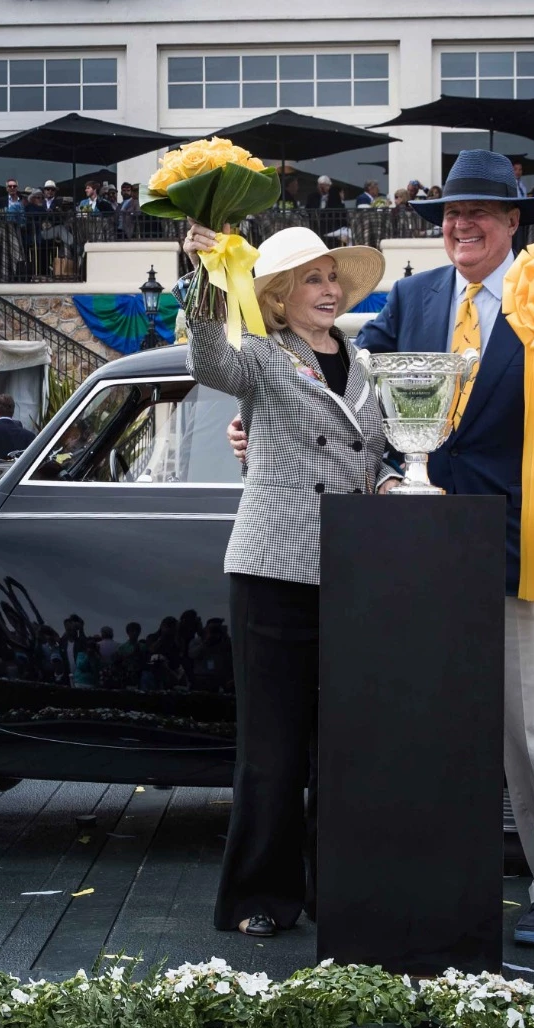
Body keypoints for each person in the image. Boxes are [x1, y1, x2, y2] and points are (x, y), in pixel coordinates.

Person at [308, 149, 534, 946]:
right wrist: (320, 444)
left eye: (478, 213)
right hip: (416, 546)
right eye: (450, 214)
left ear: (512, 222)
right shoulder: (413, 296)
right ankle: (426, 865)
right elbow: (358, 400)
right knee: (416, 716)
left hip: (527, 537)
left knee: (532, 727)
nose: (460, 225)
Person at [182, 222, 397, 940]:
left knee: (343, 750)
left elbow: (383, 449)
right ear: (276, 295)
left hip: (354, 572)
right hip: (273, 569)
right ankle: (257, 899)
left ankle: (338, 891)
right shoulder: (263, 358)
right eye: (312, 278)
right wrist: (209, 278)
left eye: (333, 277)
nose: (329, 288)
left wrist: (394, 479)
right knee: (271, 755)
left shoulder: (368, 363)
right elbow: (210, 364)